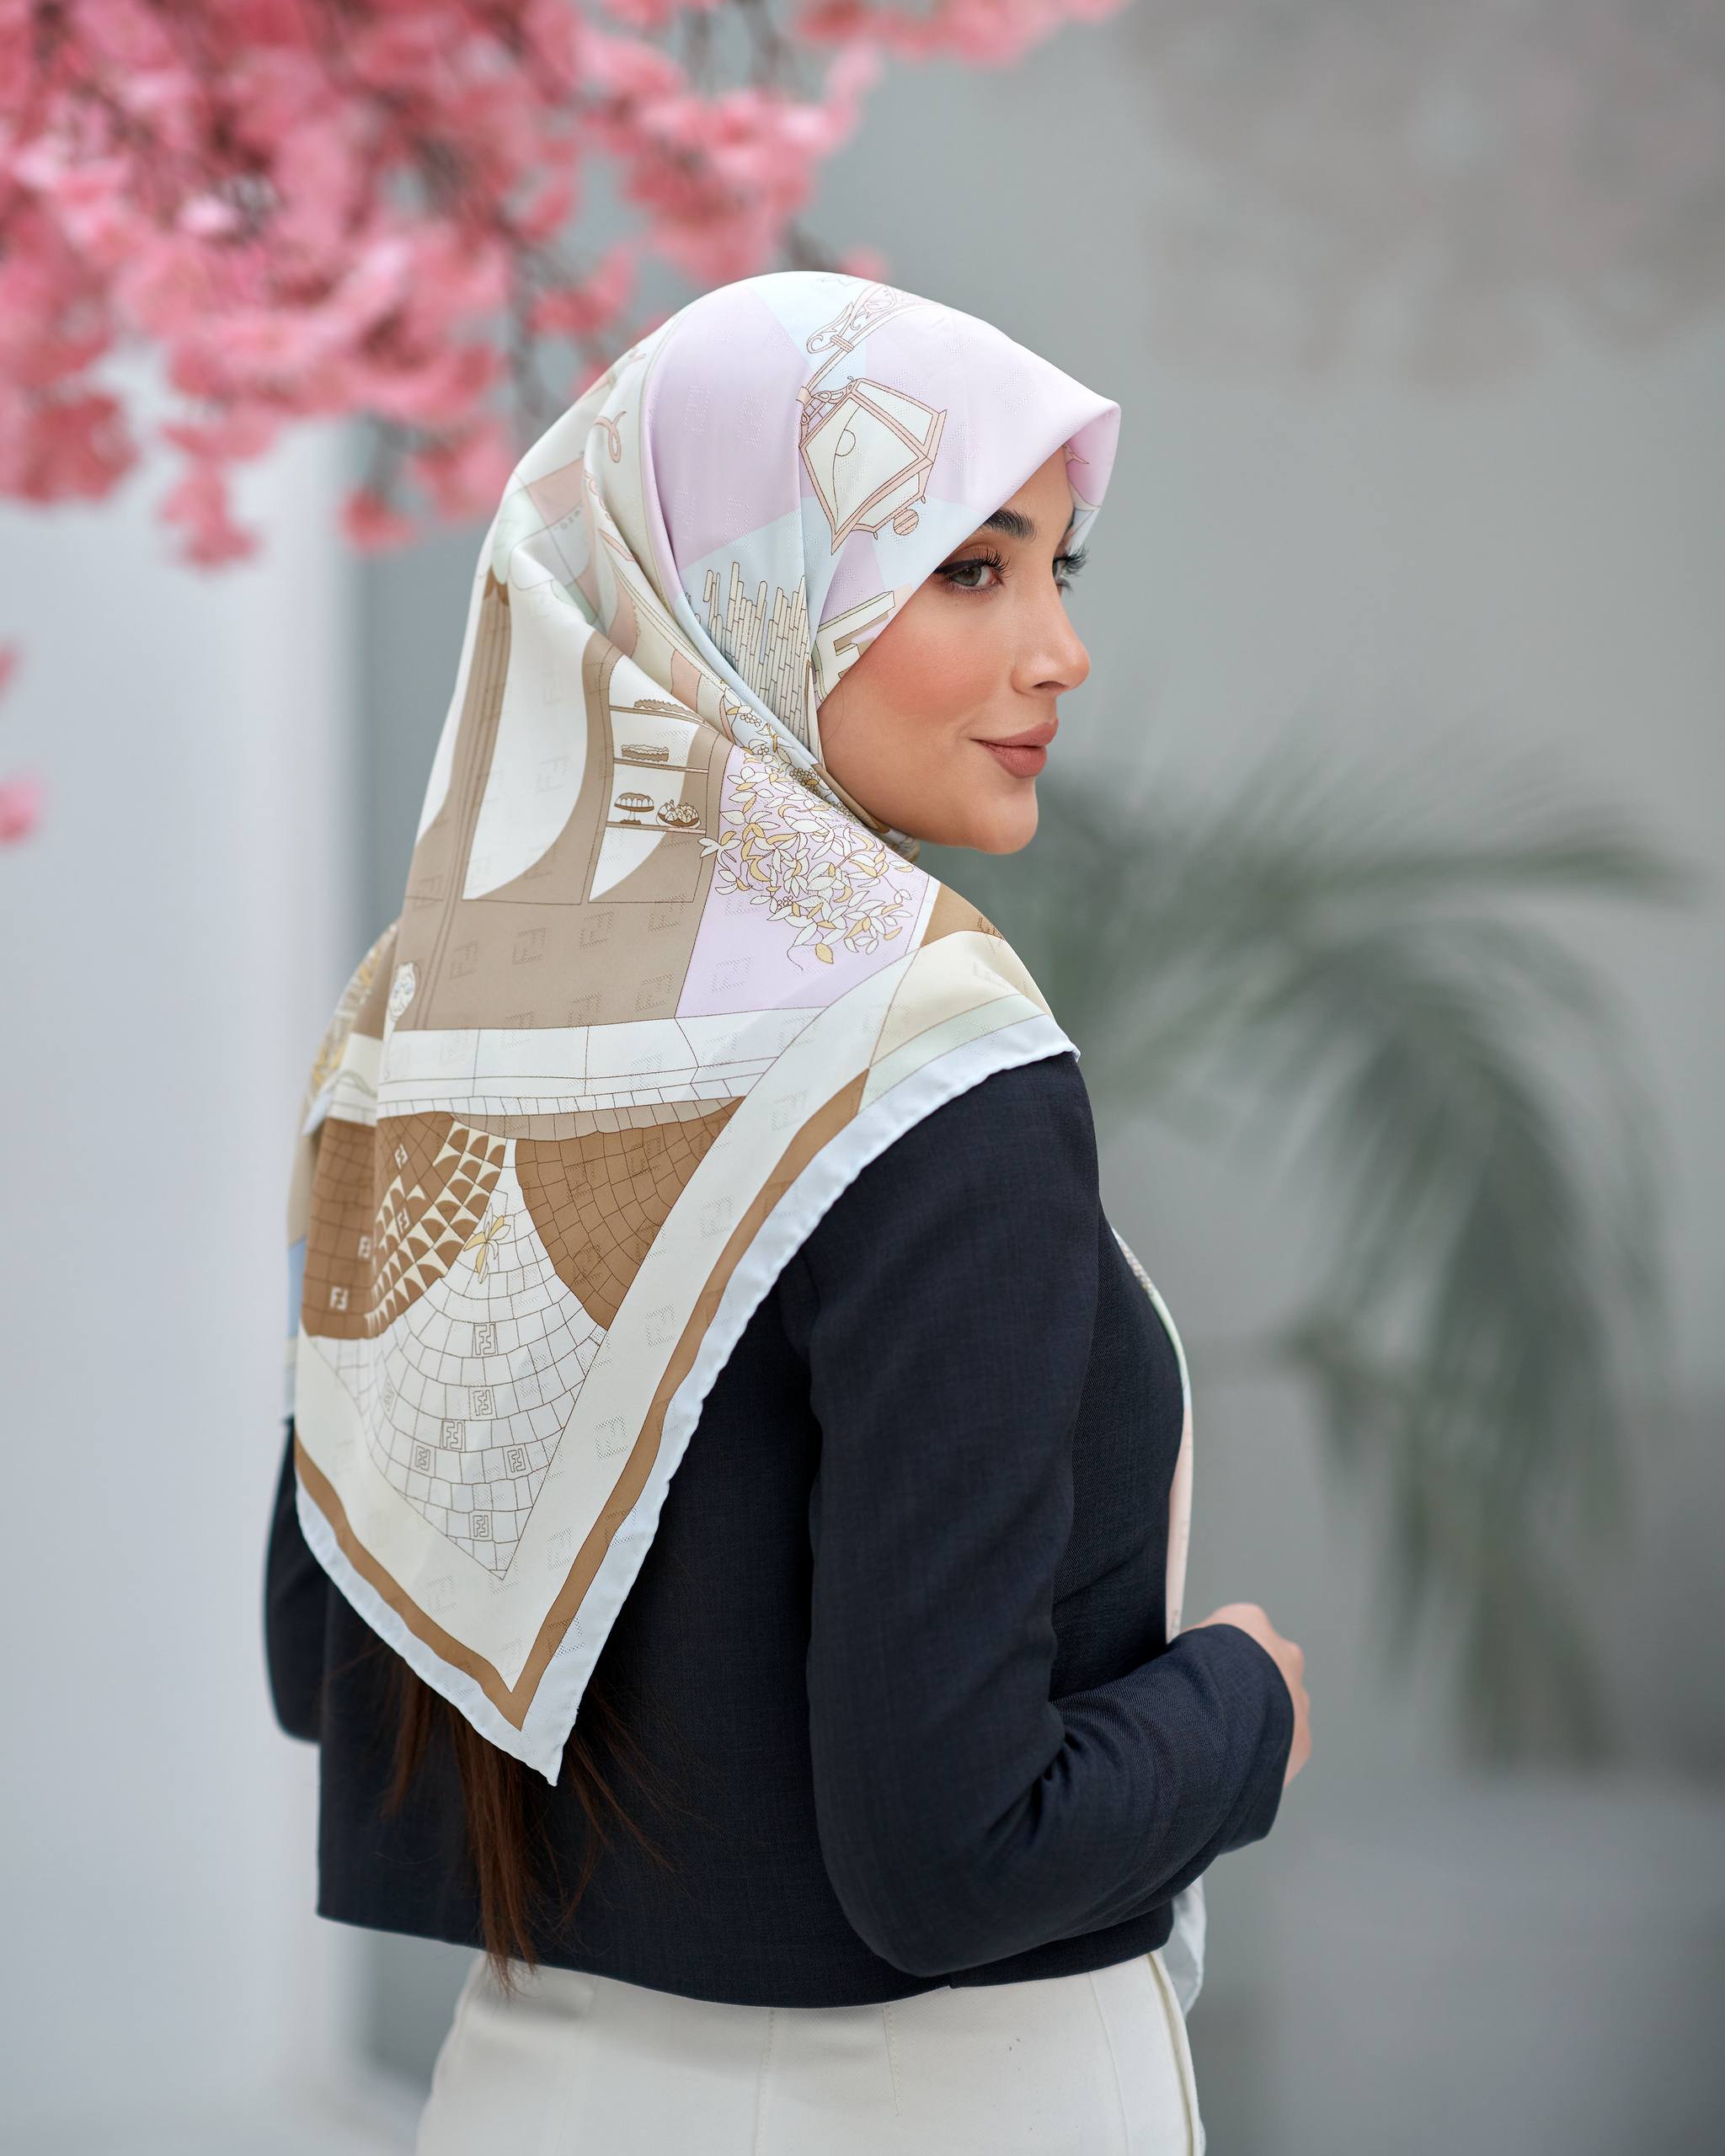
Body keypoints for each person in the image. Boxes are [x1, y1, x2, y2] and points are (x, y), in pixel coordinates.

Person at [263, 270, 1311, 2156]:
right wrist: (1243, 1706)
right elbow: (954, 1857)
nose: (1061, 651)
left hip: (524, 2091)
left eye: (1062, 569)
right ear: (736, 594)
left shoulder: (438, 1019)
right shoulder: (928, 1076)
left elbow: (331, 1660)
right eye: (970, 569)